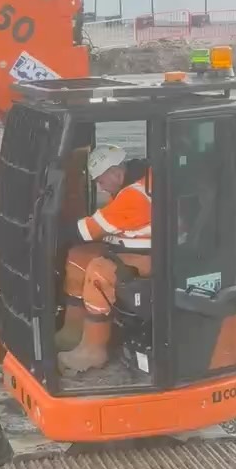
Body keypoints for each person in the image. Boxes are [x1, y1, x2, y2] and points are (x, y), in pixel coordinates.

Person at [58, 145, 152, 375]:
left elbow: (87, 230)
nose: (99, 187)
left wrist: (51, 231)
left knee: (100, 272)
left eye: (100, 181)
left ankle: (93, 350)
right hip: (136, 248)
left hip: (153, 258)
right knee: (79, 257)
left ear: (116, 173)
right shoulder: (136, 181)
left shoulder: (134, 196)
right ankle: (72, 333)